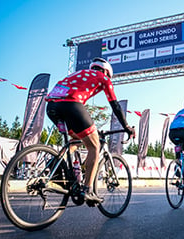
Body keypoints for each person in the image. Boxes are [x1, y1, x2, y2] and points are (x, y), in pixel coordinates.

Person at [46, 57, 135, 206]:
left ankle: (55, 162)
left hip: (52, 106)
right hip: (72, 105)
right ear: (106, 72)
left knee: (76, 139)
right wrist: (127, 127)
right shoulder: (103, 78)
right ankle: (87, 190)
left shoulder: (77, 74)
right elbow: (115, 106)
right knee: (94, 146)